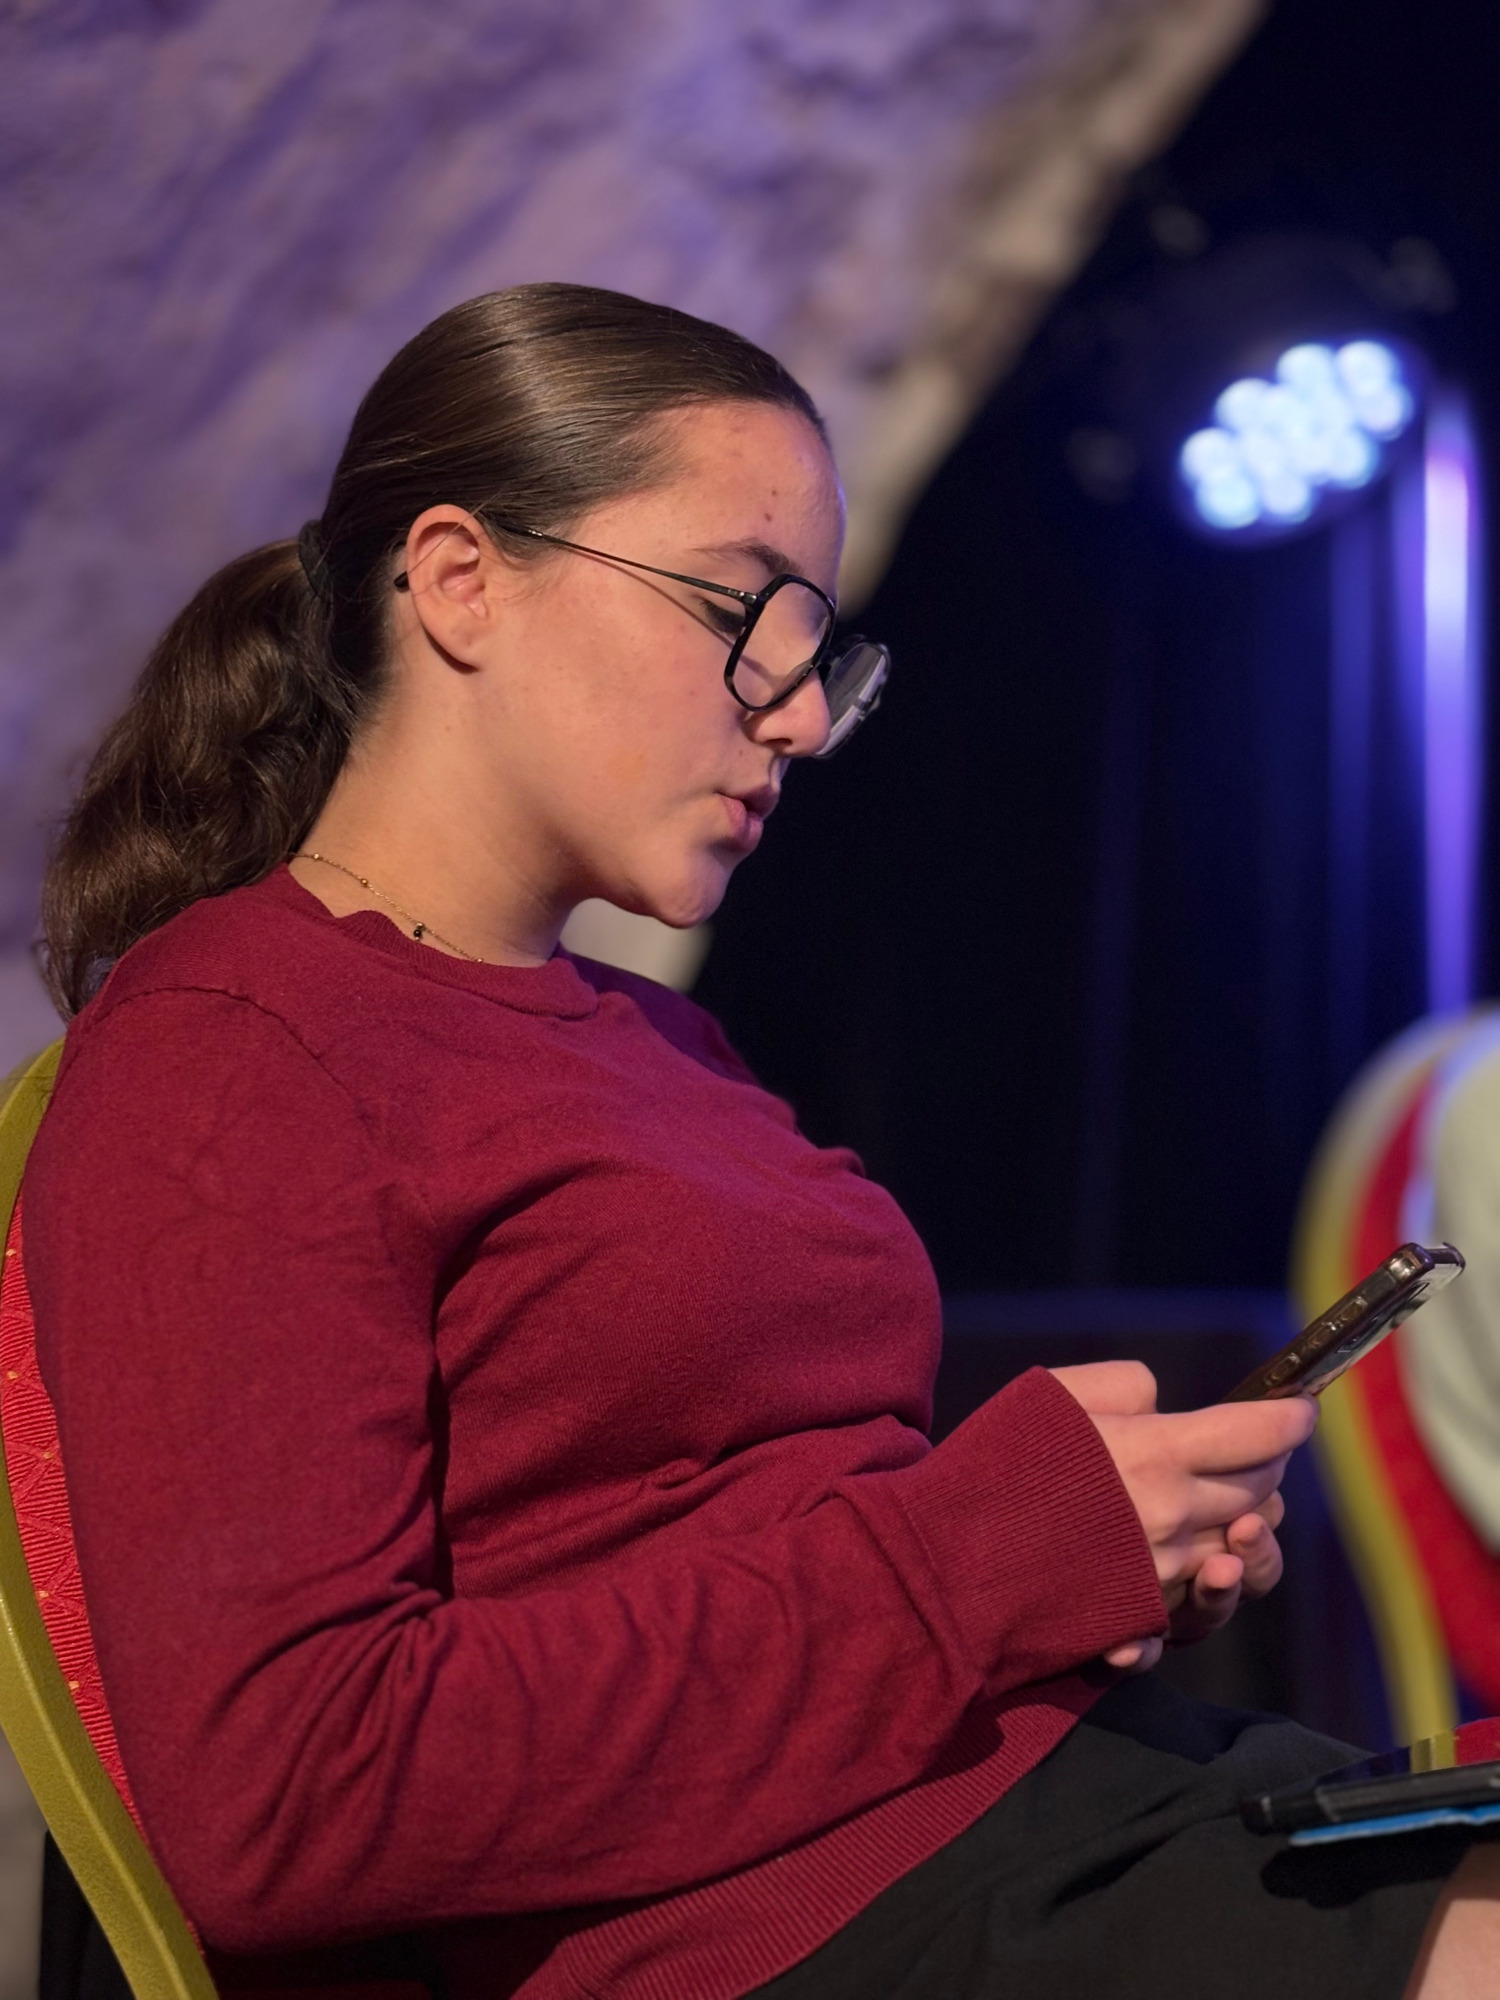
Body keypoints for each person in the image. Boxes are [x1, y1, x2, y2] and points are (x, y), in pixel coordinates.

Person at [21, 284, 1498, 2000]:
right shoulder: (235, 1049)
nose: (796, 716)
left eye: (818, 656)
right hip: (772, 1932)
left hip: (1024, 1808)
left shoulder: (658, 1042)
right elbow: (292, 1801)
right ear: (459, 579)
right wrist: (984, 1557)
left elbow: (769, 1552)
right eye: (743, 614)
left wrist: (1098, 1559)